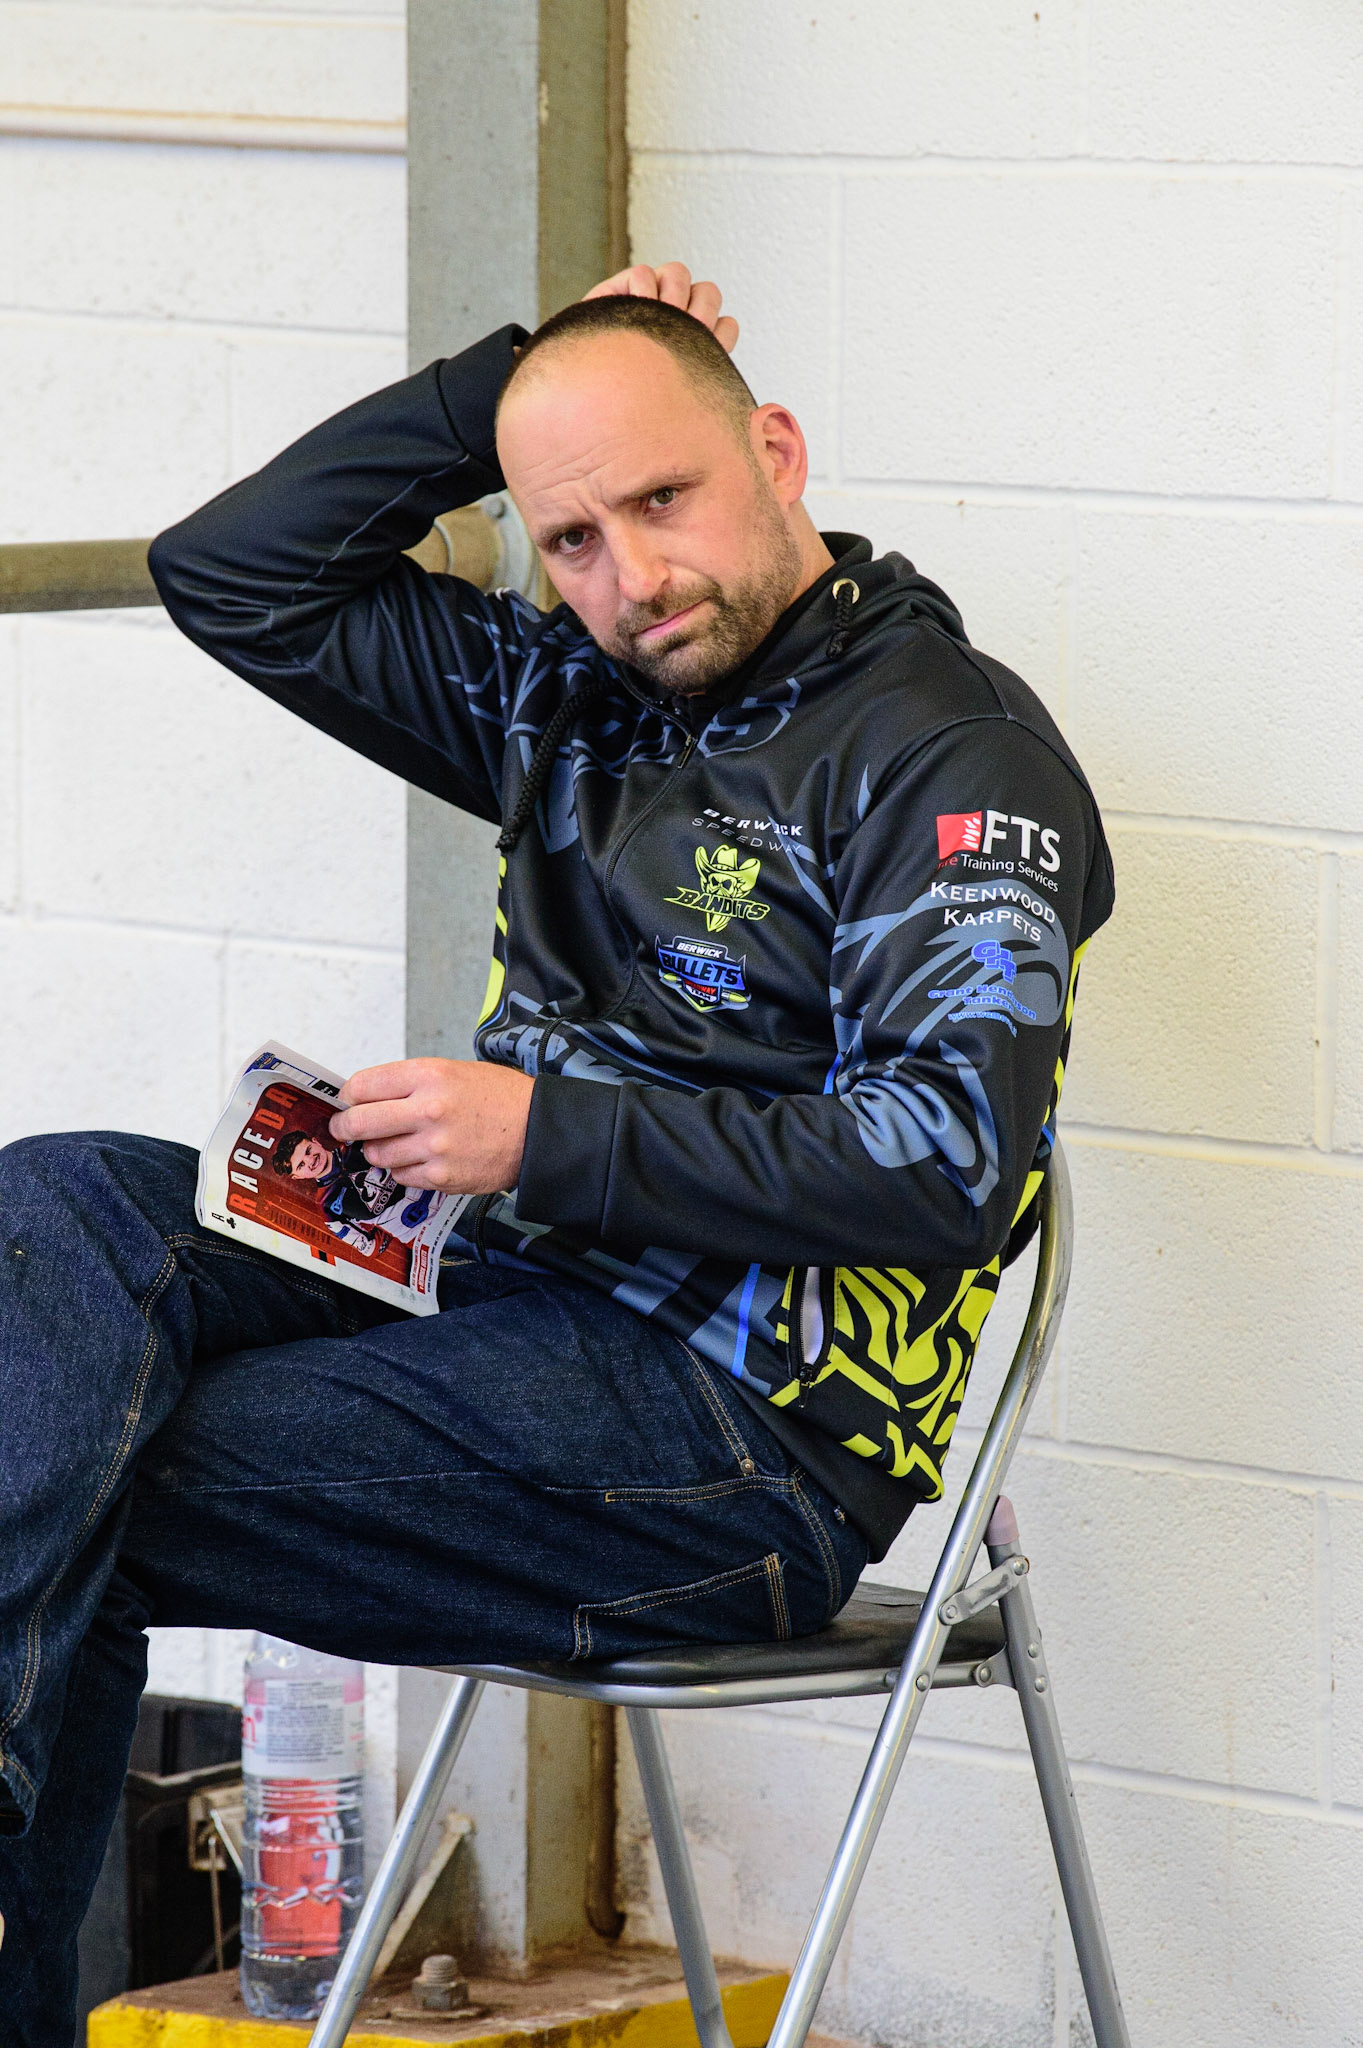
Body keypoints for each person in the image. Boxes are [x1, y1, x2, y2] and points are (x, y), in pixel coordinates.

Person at [0, 262, 1113, 2038]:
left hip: (733, 1440)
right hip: (491, 1308)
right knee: (45, 1214)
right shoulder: (573, 695)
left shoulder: (948, 754)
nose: (630, 580)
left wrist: (545, 1133)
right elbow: (230, 570)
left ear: (776, 449)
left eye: (662, 499)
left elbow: (946, 1156)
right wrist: (517, 383)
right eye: (571, 537)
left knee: (79, 1456)